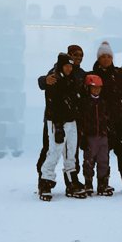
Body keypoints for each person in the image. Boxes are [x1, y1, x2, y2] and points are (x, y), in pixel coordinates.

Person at [36, 44, 86, 192]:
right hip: (54, 120)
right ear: (69, 55)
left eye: (81, 55)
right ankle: (44, 180)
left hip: (72, 119)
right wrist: (44, 80)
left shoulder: (79, 74)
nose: (78, 58)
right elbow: (44, 83)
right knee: (51, 150)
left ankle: (71, 181)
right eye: (75, 54)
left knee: (71, 152)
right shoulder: (55, 74)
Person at [89, 41, 122, 192]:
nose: (106, 59)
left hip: (119, 119)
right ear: (98, 58)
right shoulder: (92, 75)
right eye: (103, 56)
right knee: (102, 153)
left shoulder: (120, 74)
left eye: (109, 56)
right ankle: (103, 181)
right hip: (100, 121)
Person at [79, 74, 114, 196]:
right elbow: (82, 121)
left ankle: (103, 183)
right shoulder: (85, 103)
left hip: (103, 136)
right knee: (89, 160)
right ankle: (88, 183)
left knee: (104, 160)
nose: (96, 90)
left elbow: (108, 119)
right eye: (94, 88)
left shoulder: (104, 102)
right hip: (90, 136)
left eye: (98, 88)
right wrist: (82, 137)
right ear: (88, 88)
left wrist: (110, 133)